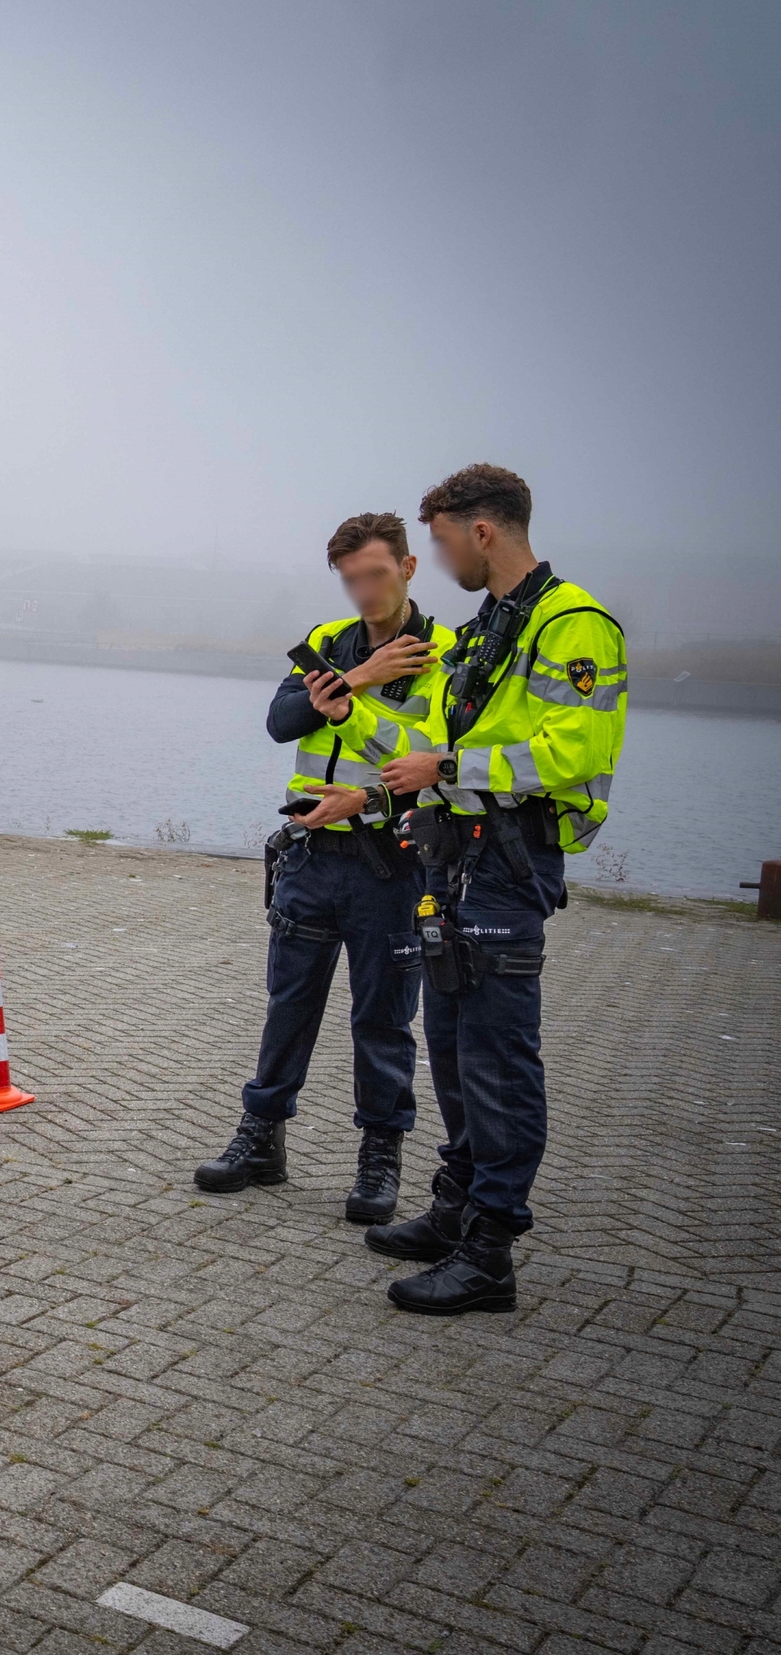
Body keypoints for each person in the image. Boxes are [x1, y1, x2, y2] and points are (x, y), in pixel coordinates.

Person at [298, 464, 624, 1314]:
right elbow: (426, 747)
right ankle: (455, 1208)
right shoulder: (488, 630)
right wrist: (355, 744)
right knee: (447, 1039)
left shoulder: (572, 625)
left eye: (439, 542)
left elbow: (575, 751)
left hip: (511, 863)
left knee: (497, 1055)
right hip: (453, 858)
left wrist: (443, 765)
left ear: (482, 530)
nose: (437, 560)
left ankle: (491, 1250)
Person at [193, 514, 455, 1224]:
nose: (364, 591)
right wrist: (361, 673)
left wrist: (362, 780)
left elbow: (436, 758)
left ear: (407, 566)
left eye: (375, 574)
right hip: (311, 855)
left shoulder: (446, 655)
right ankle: (262, 1139)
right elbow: (282, 721)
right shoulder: (325, 645)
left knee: (382, 1018)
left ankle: (380, 1156)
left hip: (389, 861)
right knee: (290, 1005)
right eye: (350, 579)